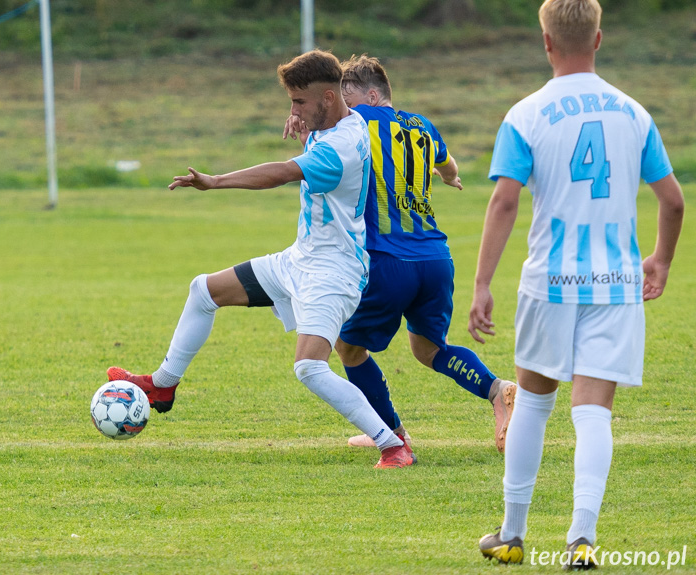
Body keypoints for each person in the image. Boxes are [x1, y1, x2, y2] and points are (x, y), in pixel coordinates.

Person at [108, 49, 416, 469]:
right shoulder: (350, 118)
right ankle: (162, 386)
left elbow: (282, 172)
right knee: (204, 290)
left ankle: (393, 445)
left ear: (327, 98)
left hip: (333, 273)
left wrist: (216, 181)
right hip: (300, 259)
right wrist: (306, 122)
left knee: (309, 367)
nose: (293, 109)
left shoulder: (341, 146)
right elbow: (330, 119)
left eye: (298, 102)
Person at [470, 0, 685, 568]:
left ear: (545, 42)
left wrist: (482, 284)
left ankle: (512, 534)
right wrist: (659, 260)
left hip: (551, 282)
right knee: (593, 412)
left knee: (535, 405)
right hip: (615, 283)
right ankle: (581, 540)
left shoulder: (526, 114)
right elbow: (672, 200)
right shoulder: (634, 114)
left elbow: (505, 201)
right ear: (598, 39)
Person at [285, 55, 517, 453]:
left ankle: (393, 433)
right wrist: (450, 178)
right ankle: (498, 389)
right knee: (428, 349)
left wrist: (305, 127)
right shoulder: (422, 126)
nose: (343, 111)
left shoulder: (357, 125)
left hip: (386, 260)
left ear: (373, 96)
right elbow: (449, 165)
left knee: (348, 347)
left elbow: (326, 157)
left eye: (350, 100)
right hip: (435, 259)